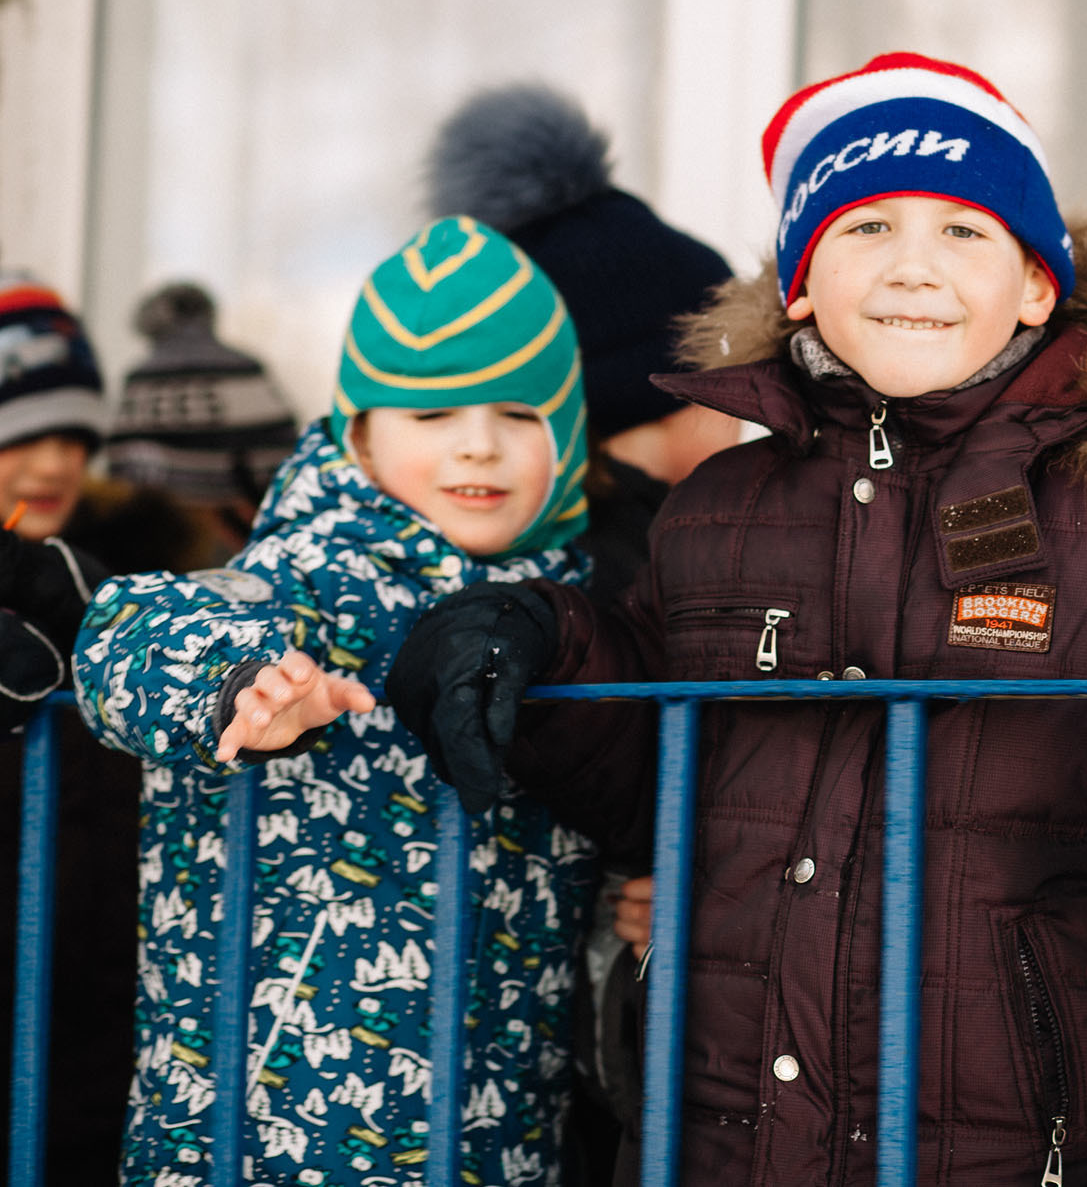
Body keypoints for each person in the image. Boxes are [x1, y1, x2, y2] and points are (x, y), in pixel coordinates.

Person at [386, 52, 1087, 1185]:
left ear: (1035, 284)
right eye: (864, 228)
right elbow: (651, 741)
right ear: (798, 281)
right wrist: (531, 641)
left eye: (961, 231)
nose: (913, 266)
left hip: (1017, 1140)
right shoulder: (720, 507)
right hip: (729, 1132)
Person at [68, 218, 597, 1186]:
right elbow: (122, 632)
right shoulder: (306, 583)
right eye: (432, 414)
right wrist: (238, 685)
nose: (478, 446)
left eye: (520, 414)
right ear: (356, 430)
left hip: (492, 1143)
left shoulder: (574, 619)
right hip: (259, 1141)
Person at [424, 82, 745, 1185]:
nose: (749, 406)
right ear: (650, 389)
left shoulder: (640, 534)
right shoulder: (623, 556)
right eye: (721, 377)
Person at [0, 275, 208, 1186]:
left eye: (73, 436)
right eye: (21, 434)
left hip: (97, 1020)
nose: (52, 463)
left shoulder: (131, 596)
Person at [425, 83, 742, 595]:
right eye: (732, 379)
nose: (747, 409)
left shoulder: (542, 545)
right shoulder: (638, 572)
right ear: (663, 393)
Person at [103, 279, 299, 568]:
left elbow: (121, 475)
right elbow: (285, 459)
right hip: (239, 533)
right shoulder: (244, 366)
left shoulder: (141, 377)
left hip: (160, 542)